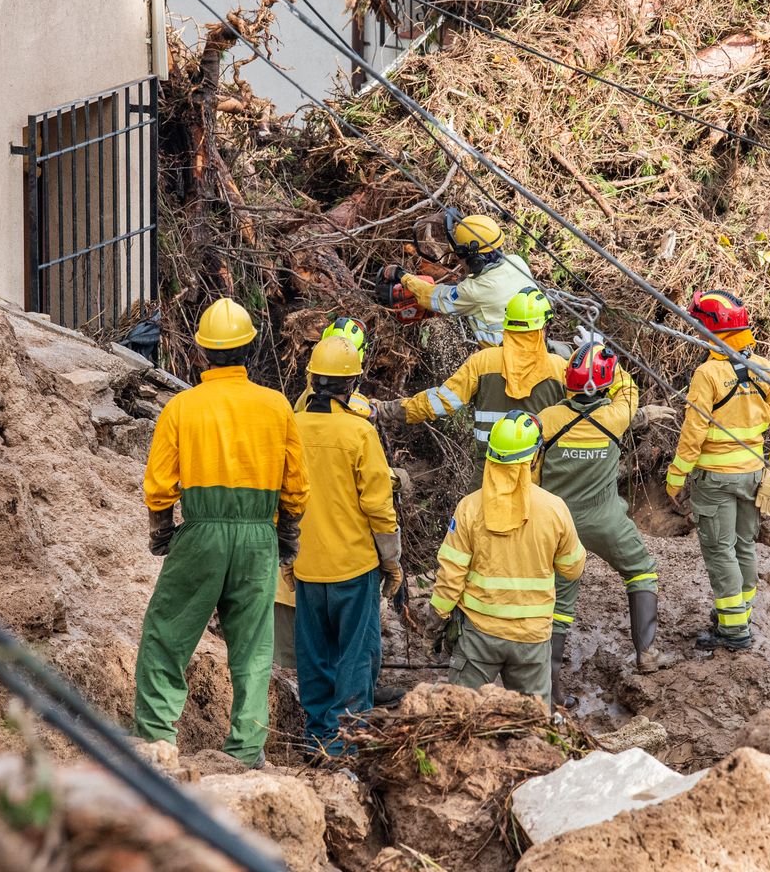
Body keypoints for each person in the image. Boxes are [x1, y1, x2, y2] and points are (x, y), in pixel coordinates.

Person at [133, 298, 309, 766]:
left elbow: (159, 482)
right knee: (253, 648)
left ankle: (156, 739)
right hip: (258, 537)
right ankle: (247, 751)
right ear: (250, 349)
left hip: (201, 532)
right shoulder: (276, 407)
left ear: (201, 353)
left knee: (166, 635)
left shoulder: (181, 407)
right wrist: (287, 533)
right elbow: (296, 484)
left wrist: (161, 530)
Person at [425, 410, 585, 707]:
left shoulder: (469, 508)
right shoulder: (555, 509)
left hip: (478, 636)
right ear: (534, 457)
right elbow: (573, 568)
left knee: (457, 717)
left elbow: (451, 576)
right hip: (532, 639)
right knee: (534, 726)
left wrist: (437, 617)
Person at [665, 290, 770, 651]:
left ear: (709, 328)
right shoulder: (763, 367)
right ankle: (738, 612)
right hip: (753, 475)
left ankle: (734, 631)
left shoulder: (707, 373)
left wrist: (676, 476)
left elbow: (694, 431)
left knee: (720, 551)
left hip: (715, 480)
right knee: (744, 547)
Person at [290, 336, 400, 757]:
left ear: (312, 379)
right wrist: (391, 561)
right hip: (354, 566)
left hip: (305, 564)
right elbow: (378, 505)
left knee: (313, 653)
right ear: (352, 384)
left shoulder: (293, 426)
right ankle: (345, 744)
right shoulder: (359, 432)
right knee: (356, 654)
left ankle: (316, 736)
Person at [378, 289, 634, 467]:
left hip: (487, 469)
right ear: (543, 328)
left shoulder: (482, 362)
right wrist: (598, 354)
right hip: (534, 474)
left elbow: (437, 403)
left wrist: (384, 410)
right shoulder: (560, 368)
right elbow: (587, 415)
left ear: (508, 325)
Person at [536, 344, 661, 703]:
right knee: (641, 570)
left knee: (559, 604)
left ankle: (552, 691)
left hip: (559, 523)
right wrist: (605, 354)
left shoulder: (548, 419)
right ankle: (647, 655)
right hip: (606, 519)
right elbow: (629, 390)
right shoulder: (615, 417)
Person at [383, 210, 534, 346]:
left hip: (504, 360)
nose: (458, 261)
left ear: (475, 261)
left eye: (459, 256)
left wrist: (401, 275)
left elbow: (431, 297)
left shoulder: (475, 291)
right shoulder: (517, 262)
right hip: (533, 345)